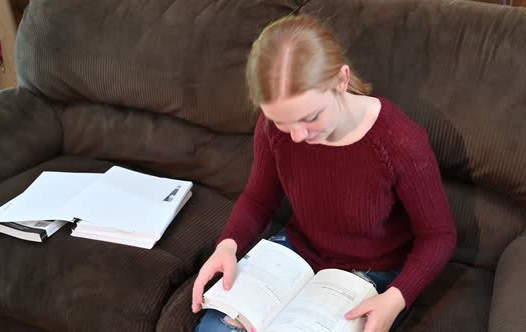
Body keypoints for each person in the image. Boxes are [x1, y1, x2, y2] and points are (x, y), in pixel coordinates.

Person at [192, 14, 457, 332]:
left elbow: (438, 235)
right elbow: (259, 198)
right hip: (296, 254)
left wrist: (397, 298)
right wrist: (228, 245)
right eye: (281, 121)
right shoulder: (273, 130)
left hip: (371, 273)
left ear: (341, 81)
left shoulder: (399, 143)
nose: (297, 136)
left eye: (311, 117)